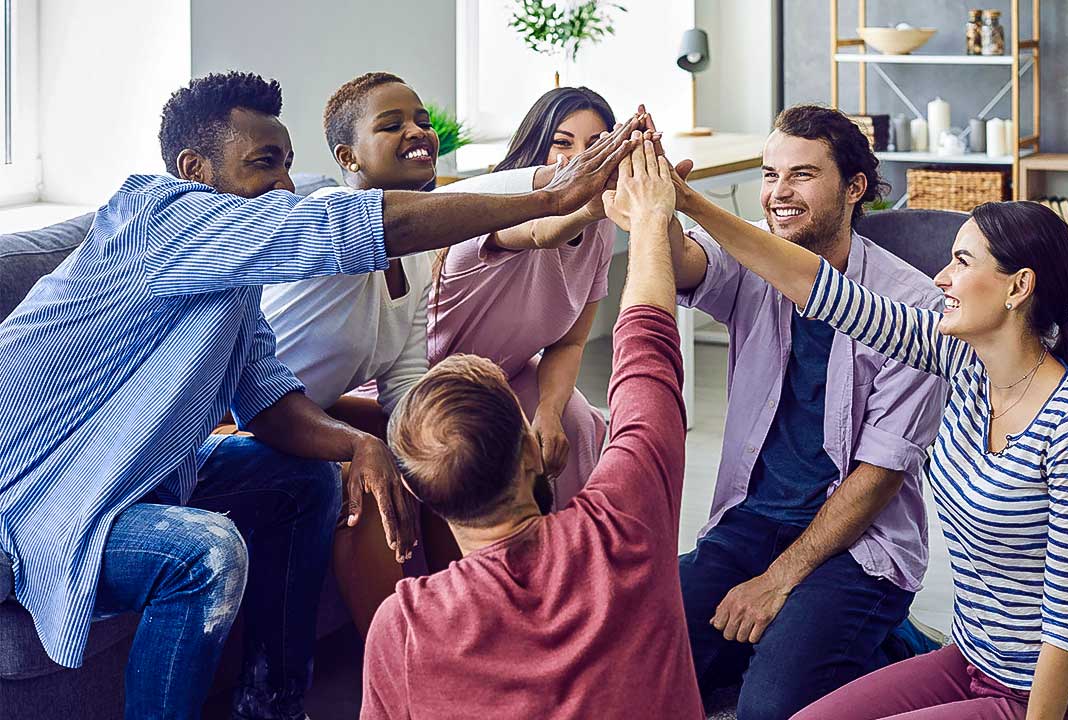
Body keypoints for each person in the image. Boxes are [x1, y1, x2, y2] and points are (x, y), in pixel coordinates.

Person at [0, 70, 641, 720]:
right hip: (30, 497)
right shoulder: (161, 217)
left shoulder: (234, 289)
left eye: (287, 163)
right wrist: (549, 194)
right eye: (264, 164)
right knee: (205, 555)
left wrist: (358, 444)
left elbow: (269, 401)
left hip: (136, 482)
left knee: (306, 482)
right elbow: (351, 223)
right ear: (193, 168)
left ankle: (273, 704)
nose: (283, 184)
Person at [666, 168, 1068, 718]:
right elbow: (823, 291)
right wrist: (690, 204)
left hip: (1056, 696)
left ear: (1018, 286)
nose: (940, 278)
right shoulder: (959, 362)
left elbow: (1065, 624)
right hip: (968, 662)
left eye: (962, 262)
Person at [361, 134, 702, 720]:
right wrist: (649, 221)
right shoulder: (627, 520)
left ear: (418, 491)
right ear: (530, 453)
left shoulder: (404, 626)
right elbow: (647, 353)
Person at [654, 104, 949, 720]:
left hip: (858, 545)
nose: (777, 193)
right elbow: (687, 262)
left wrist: (779, 580)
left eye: (801, 175)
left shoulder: (913, 308)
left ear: (854, 188)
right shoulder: (754, 265)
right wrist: (655, 202)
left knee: (770, 709)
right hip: (748, 526)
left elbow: (880, 474)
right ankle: (824, 640)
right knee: (638, 656)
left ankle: (878, 643)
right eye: (769, 174)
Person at [260, 71, 552, 635]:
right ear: (349, 155)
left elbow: (406, 378)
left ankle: (504, 625)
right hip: (246, 421)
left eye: (420, 119)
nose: (416, 131)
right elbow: (268, 394)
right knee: (369, 489)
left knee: (456, 448)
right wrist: (553, 189)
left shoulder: (416, 254)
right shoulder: (319, 222)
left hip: (316, 410)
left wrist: (439, 439)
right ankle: (403, 660)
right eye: (391, 125)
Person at [427, 86, 620, 511]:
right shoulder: (496, 206)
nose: (579, 160)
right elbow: (537, 232)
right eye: (563, 144)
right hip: (428, 380)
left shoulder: (600, 231)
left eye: (597, 146)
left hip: (507, 372)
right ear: (536, 146)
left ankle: (573, 556)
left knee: (578, 421)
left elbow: (568, 342)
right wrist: (589, 206)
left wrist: (549, 410)